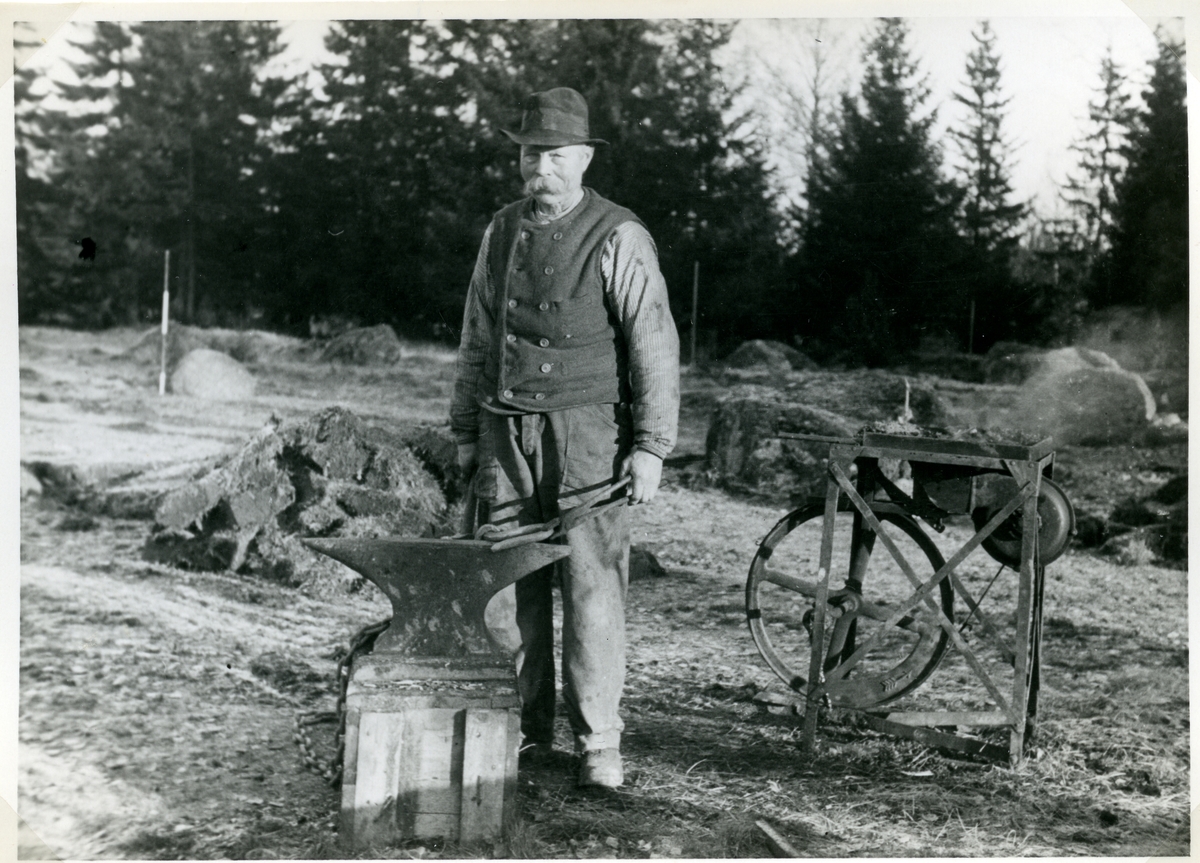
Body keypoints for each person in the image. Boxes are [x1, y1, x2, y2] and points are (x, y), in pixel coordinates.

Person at [450, 87, 679, 788]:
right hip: (507, 435)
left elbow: (654, 344)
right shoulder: (501, 232)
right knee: (508, 585)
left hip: (591, 440)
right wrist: (465, 430)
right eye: (527, 153)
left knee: (591, 591)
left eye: (551, 155)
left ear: (581, 159)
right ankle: (522, 733)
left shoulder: (620, 235)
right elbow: (477, 335)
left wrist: (651, 445)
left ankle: (598, 745)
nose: (537, 167)